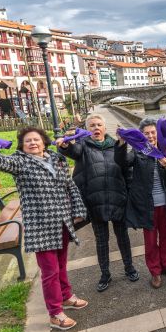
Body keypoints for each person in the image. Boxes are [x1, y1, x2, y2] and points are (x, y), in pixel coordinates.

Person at [0, 128, 88, 330]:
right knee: (50, 271)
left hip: (62, 221)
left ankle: (65, 296)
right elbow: (1, 161)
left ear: (44, 142)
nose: (33, 143)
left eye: (36, 140)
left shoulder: (57, 159)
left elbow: (70, 186)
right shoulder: (20, 162)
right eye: (28, 141)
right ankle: (55, 313)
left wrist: (78, 209)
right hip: (41, 226)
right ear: (22, 145)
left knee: (61, 264)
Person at [57, 114, 139, 292]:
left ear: (104, 128)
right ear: (87, 129)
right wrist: (65, 145)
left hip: (118, 197)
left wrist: (130, 194)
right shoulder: (82, 146)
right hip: (95, 201)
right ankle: (105, 274)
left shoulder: (117, 145)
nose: (96, 128)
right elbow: (72, 151)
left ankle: (129, 268)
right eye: (92, 125)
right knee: (101, 240)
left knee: (122, 237)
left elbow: (126, 168)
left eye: (99, 125)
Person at [115, 118, 166, 289]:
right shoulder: (138, 151)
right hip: (147, 206)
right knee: (150, 241)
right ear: (142, 136)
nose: (151, 136)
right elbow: (122, 162)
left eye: (153, 132)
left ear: (158, 134)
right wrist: (121, 143)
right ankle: (155, 272)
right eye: (147, 133)